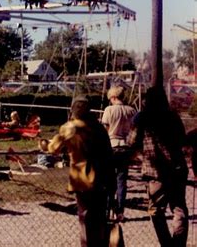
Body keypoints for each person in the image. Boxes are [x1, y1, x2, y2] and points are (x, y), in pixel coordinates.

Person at [45, 95, 115, 247]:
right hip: (101, 178)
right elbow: (108, 154)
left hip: (82, 179)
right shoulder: (99, 127)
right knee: (100, 219)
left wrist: (44, 144)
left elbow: (53, 148)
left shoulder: (70, 127)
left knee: (85, 220)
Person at [127, 87, 189, 247]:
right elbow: (183, 139)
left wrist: (141, 155)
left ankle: (166, 243)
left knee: (156, 210)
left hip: (156, 172)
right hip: (177, 168)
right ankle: (178, 243)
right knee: (179, 209)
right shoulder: (173, 116)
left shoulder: (142, 118)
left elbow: (131, 142)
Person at [101, 85, 136, 221]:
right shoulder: (131, 111)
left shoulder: (109, 110)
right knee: (122, 180)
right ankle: (120, 211)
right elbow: (134, 131)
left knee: (109, 181)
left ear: (114, 97)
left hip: (111, 146)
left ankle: (108, 209)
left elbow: (105, 130)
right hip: (125, 147)